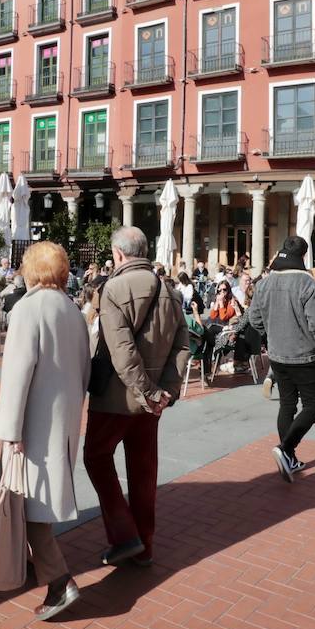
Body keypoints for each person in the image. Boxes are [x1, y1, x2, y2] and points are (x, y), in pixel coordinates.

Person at [0, 242, 89, 619]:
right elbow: (84, 369)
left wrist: (9, 429)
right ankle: (42, 572)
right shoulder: (72, 309)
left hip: (32, 421)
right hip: (62, 420)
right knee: (40, 502)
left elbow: (16, 373)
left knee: (26, 503)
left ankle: (59, 580)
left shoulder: (28, 308)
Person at [84, 226, 189, 567]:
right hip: (152, 400)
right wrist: (165, 392)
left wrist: (147, 392)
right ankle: (144, 544)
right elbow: (182, 347)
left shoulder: (114, 288)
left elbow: (122, 351)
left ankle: (124, 534)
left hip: (118, 397)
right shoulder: (170, 291)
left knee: (96, 457)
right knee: (143, 470)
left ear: (118, 254)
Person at [247, 236, 315, 482]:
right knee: (312, 406)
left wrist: (270, 333)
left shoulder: (264, 282)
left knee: (287, 404)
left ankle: (289, 457)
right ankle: (285, 449)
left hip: (278, 355)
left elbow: (254, 319)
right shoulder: (307, 283)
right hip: (303, 354)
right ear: (303, 256)